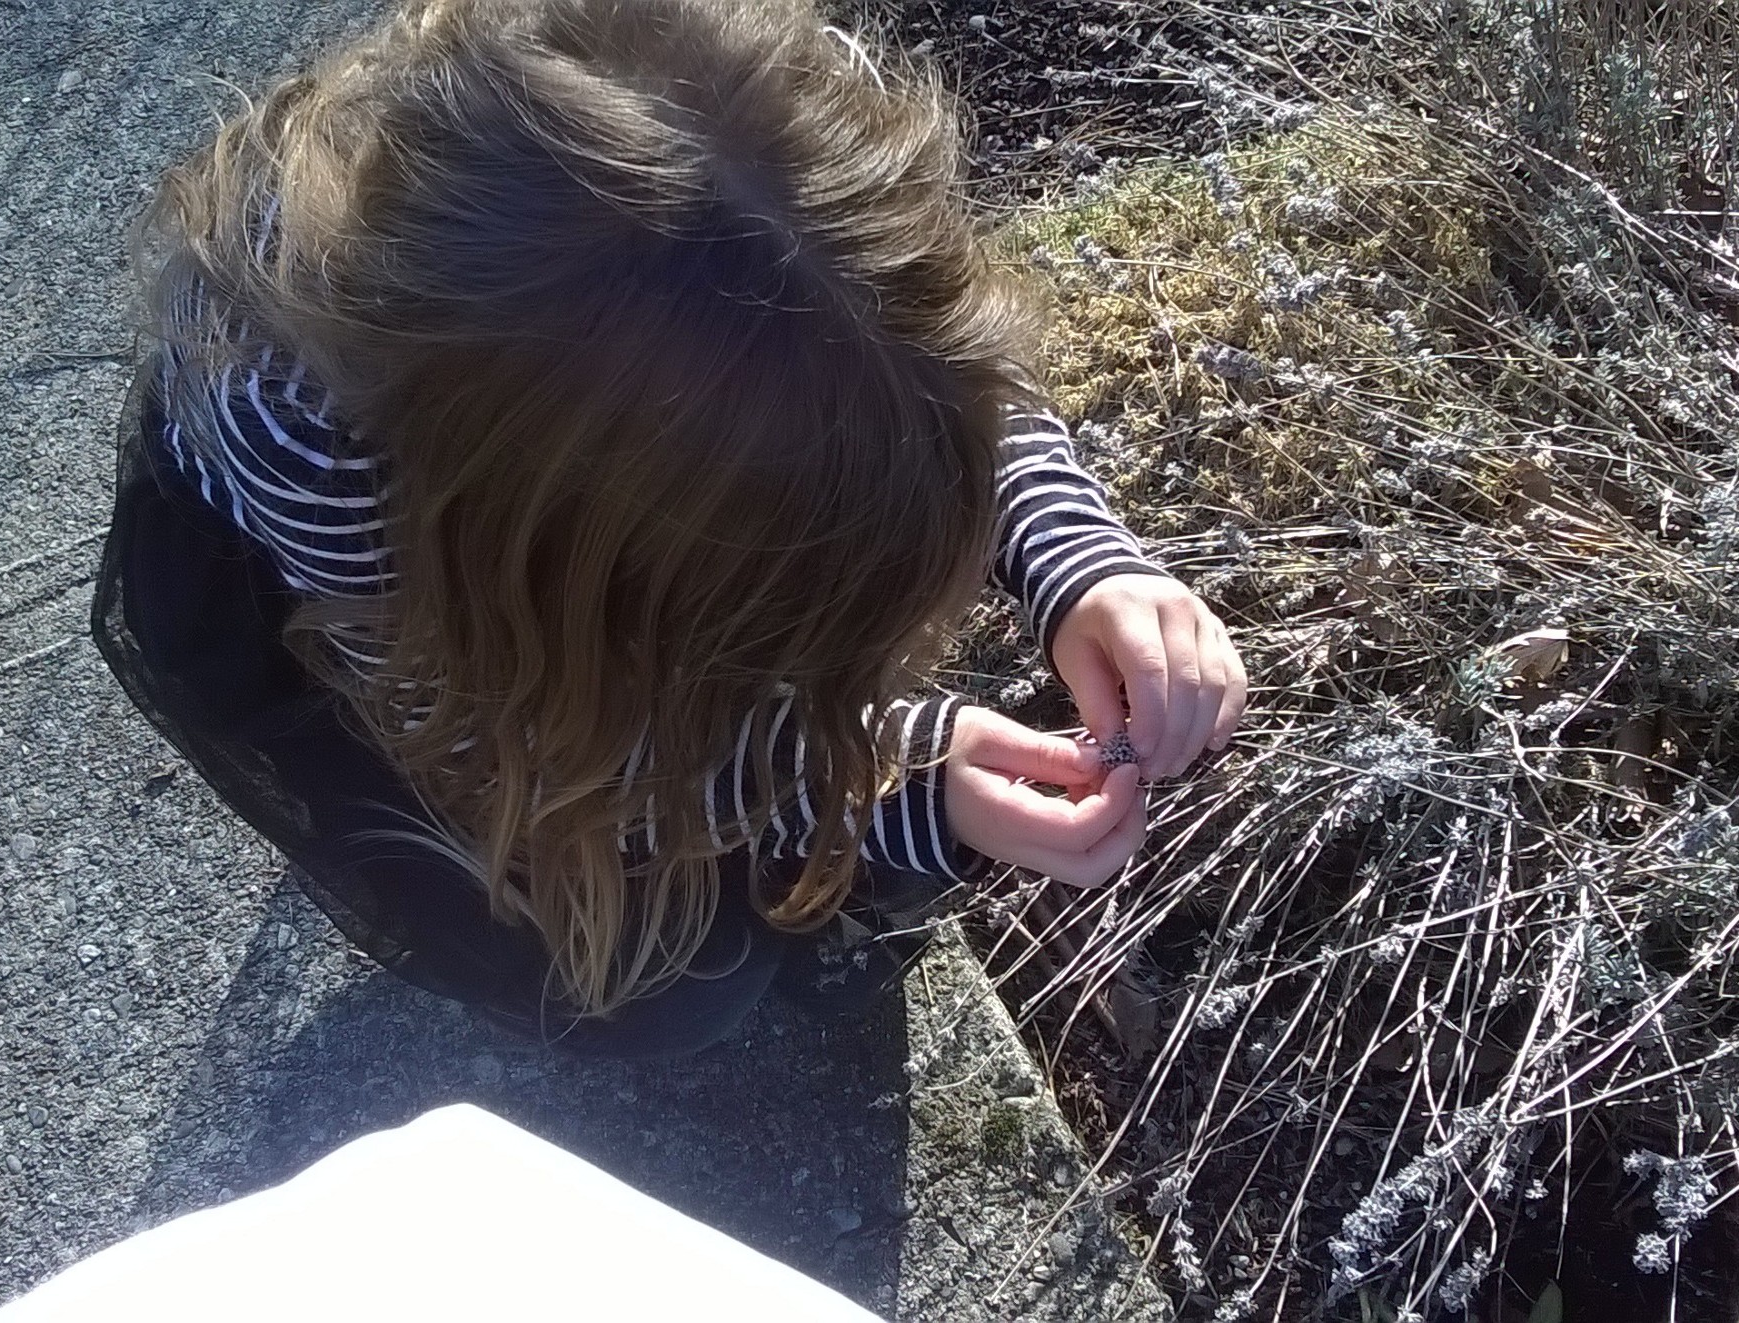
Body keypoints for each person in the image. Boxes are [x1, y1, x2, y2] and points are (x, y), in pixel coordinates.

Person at [92, 0, 1246, 1057]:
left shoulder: (771, 137)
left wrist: (1073, 554)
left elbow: (925, 357)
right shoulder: (308, 434)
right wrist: (893, 780)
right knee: (672, 988)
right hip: (369, 620)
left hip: (519, 538)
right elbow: (518, 729)